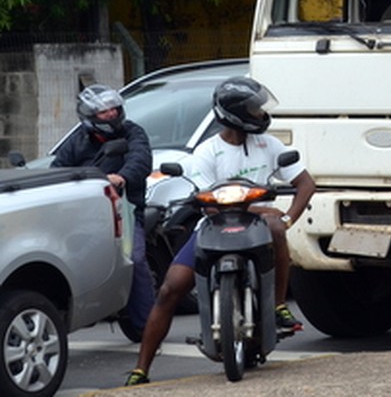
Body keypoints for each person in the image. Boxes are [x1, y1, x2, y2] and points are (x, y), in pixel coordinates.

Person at [125, 76, 317, 386]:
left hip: (259, 229)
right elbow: (211, 205)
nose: (259, 114)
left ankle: (279, 305)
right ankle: (141, 369)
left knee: (276, 228)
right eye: (253, 110)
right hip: (213, 227)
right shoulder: (206, 152)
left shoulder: (269, 145)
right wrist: (265, 208)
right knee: (169, 289)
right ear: (233, 114)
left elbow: (305, 184)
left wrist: (287, 218)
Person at [53, 84, 155, 339]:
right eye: (103, 112)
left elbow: (140, 160)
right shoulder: (77, 141)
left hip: (126, 212)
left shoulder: (133, 133)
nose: (111, 114)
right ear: (89, 117)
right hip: (84, 215)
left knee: (136, 259)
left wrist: (122, 178)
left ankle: (149, 326)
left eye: (114, 109)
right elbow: (58, 168)